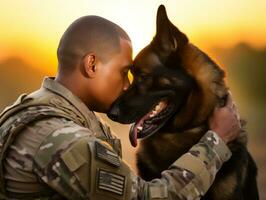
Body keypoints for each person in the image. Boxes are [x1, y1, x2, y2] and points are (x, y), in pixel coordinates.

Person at [0, 16, 241, 200]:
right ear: (92, 64)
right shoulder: (64, 140)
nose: (127, 86)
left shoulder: (31, 107)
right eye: (124, 72)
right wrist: (216, 142)